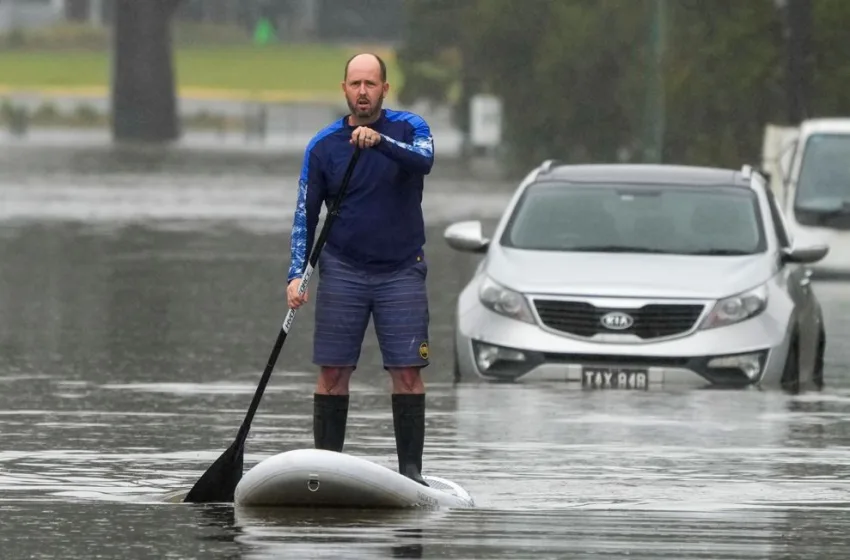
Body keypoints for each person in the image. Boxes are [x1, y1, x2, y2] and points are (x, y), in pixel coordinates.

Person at [286, 52, 434, 486]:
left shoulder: (411, 128)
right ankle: (327, 471)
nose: (363, 92)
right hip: (344, 270)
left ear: (384, 90)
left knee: (407, 372)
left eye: (371, 84)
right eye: (356, 84)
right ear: (344, 89)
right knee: (333, 373)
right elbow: (304, 217)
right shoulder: (323, 145)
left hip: (402, 269)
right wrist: (296, 275)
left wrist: (379, 141)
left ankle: (411, 474)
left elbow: (423, 160)